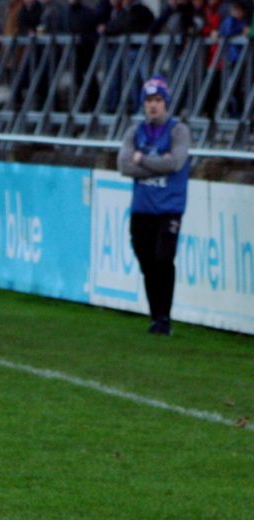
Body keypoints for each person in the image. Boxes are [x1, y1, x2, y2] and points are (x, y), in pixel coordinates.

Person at [117, 77, 190, 336]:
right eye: (149, 101)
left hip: (169, 207)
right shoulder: (134, 132)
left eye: (158, 100)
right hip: (142, 208)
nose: (153, 106)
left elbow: (175, 164)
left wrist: (142, 160)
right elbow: (124, 166)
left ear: (166, 103)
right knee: (147, 261)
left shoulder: (178, 130)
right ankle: (155, 315)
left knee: (164, 258)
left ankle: (164, 318)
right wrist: (158, 160)